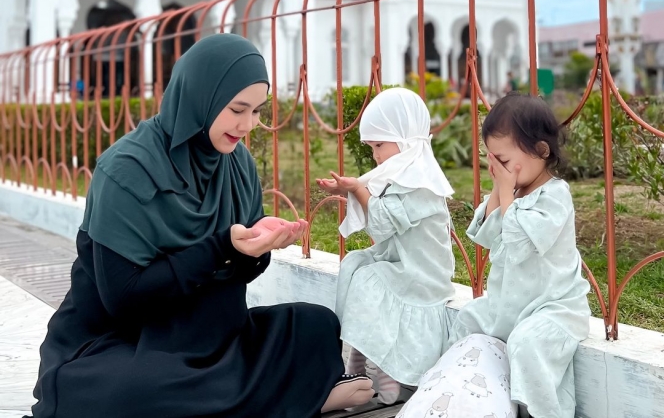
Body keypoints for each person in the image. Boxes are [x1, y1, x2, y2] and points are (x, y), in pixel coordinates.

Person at [28, 33, 374, 418]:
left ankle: (251, 394)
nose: (247, 125)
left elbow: (235, 273)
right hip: (120, 341)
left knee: (316, 323)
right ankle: (294, 396)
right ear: (200, 96)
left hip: (212, 337)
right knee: (136, 390)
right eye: (237, 109)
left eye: (257, 111)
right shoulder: (126, 170)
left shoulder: (237, 164)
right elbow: (123, 300)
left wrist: (257, 247)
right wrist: (221, 248)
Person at [449, 92, 590, 418]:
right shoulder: (511, 192)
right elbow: (485, 235)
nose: (496, 168)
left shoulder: (555, 196)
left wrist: (506, 193)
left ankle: (542, 412)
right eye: (490, 159)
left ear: (541, 151)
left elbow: (520, 241)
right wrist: (502, 189)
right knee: (467, 320)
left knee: (526, 344)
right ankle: (473, 396)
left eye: (503, 159)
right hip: (509, 305)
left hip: (552, 307)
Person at [317, 87, 455, 405]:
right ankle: (358, 357)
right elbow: (378, 210)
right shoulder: (402, 172)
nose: (375, 155)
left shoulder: (421, 182)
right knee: (354, 265)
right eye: (372, 147)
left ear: (405, 138)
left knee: (370, 279)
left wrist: (357, 189)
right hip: (400, 260)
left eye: (379, 145)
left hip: (422, 272)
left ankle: (384, 367)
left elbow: (380, 224)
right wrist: (352, 187)